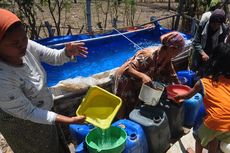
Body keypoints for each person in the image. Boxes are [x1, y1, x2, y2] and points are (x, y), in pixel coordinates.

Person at [0, 9, 88, 153]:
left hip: (42, 110)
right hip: (22, 124)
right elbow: (29, 112)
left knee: (53, 145)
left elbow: (53, 56)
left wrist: (66, 53)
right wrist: (68, 120)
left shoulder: (26, 47)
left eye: (24, 38)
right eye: (14, 43)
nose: (22, 45)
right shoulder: (3, 77)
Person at [113, 31, 185, 119]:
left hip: (136, 80)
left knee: (134, 103)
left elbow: (171, 72)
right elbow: (127, 68)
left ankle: (131, 120)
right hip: (125, 78)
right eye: (179, 50)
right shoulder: (148, 55)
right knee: (123, 103)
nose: (179, 53)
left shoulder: (167, 57)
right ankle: (121, 124)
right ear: (171, 48)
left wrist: (179, 86)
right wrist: (143, 76)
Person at [175, 43, 230, 153]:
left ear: (213, 60)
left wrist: (177, 96)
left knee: (198, 136)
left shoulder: (203, 82)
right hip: (228, 123)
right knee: (215, 137)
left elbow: (188, 95)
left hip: (215, 120)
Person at [191, 9, 228, 77]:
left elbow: (220, 47)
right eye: (213, 24)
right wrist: (203, 53)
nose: (215, 26)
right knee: (194, 69)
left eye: (217, 24)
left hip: (212, 53)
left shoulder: (224, 29)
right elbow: (196, 42)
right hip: (200, 51)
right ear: (210, 21)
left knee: (206, 72)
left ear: (221, 24)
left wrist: (212, 58)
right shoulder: (203, 24)